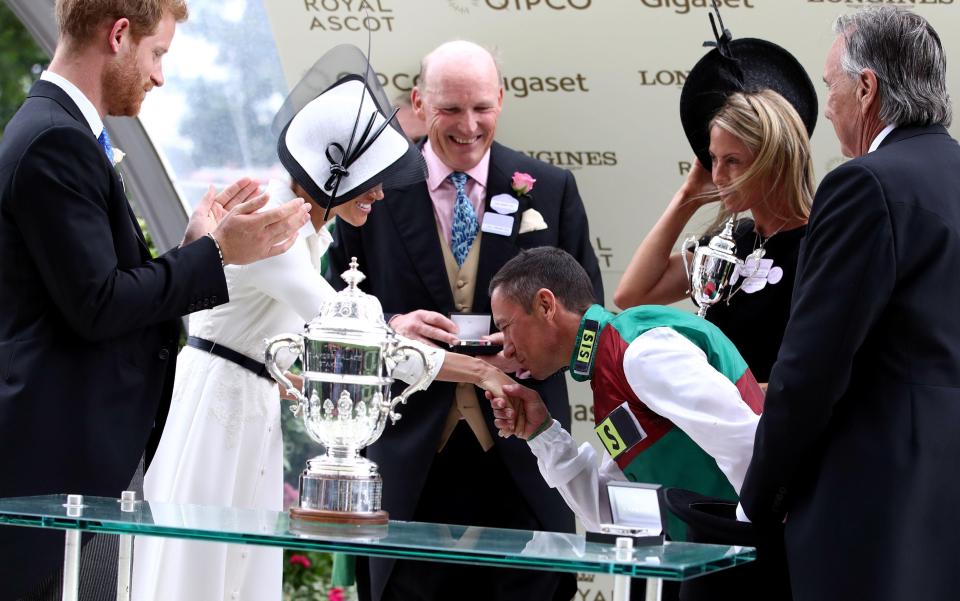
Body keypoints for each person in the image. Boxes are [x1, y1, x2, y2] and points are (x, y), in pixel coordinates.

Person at [131, 45, 515, 601]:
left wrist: (383, 334)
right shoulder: (275, 234)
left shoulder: (309, 239)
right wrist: (481, 374)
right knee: (202, 569)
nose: (382, 192)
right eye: (373, 178)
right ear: (338, 176)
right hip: (215, 410)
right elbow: (356, 339)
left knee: (240, 570)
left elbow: (328, 334)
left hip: (249, 403)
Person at [0, 1, 311, 598]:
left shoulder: (60, 131)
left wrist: (193, 245)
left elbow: (95, 287)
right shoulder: (54, 141)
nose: (160, 75)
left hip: (72, 462)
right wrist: (217, 255)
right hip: (51, 466)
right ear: (119, 36)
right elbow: (98, 305)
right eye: (157, 53)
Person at [327, 40, 602, 601]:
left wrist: (534, 344)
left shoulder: (550, 189)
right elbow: (334, 316)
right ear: (419, 103)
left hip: (523, 464)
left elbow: (587, 322)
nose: (468, 125)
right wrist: (392, 330)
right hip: (409, 465)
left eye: (481, 107)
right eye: (450, 109)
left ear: (501, 99)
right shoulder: (370, 193)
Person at [740, 7, 960, 601]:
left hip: (873, 512)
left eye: (832, 86)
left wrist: (757, 497)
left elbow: (812, 366)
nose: (829, 106)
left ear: (867, 89)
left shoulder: (864, 184)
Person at [614, 33, 818, 384]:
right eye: (712, 159)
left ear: (774, 161)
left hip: (781, 431)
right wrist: (686, 197)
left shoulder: (819, 245)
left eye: (733, 161)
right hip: (721, 431)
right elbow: (631, 296)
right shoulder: (733, 240)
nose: (718, 175)